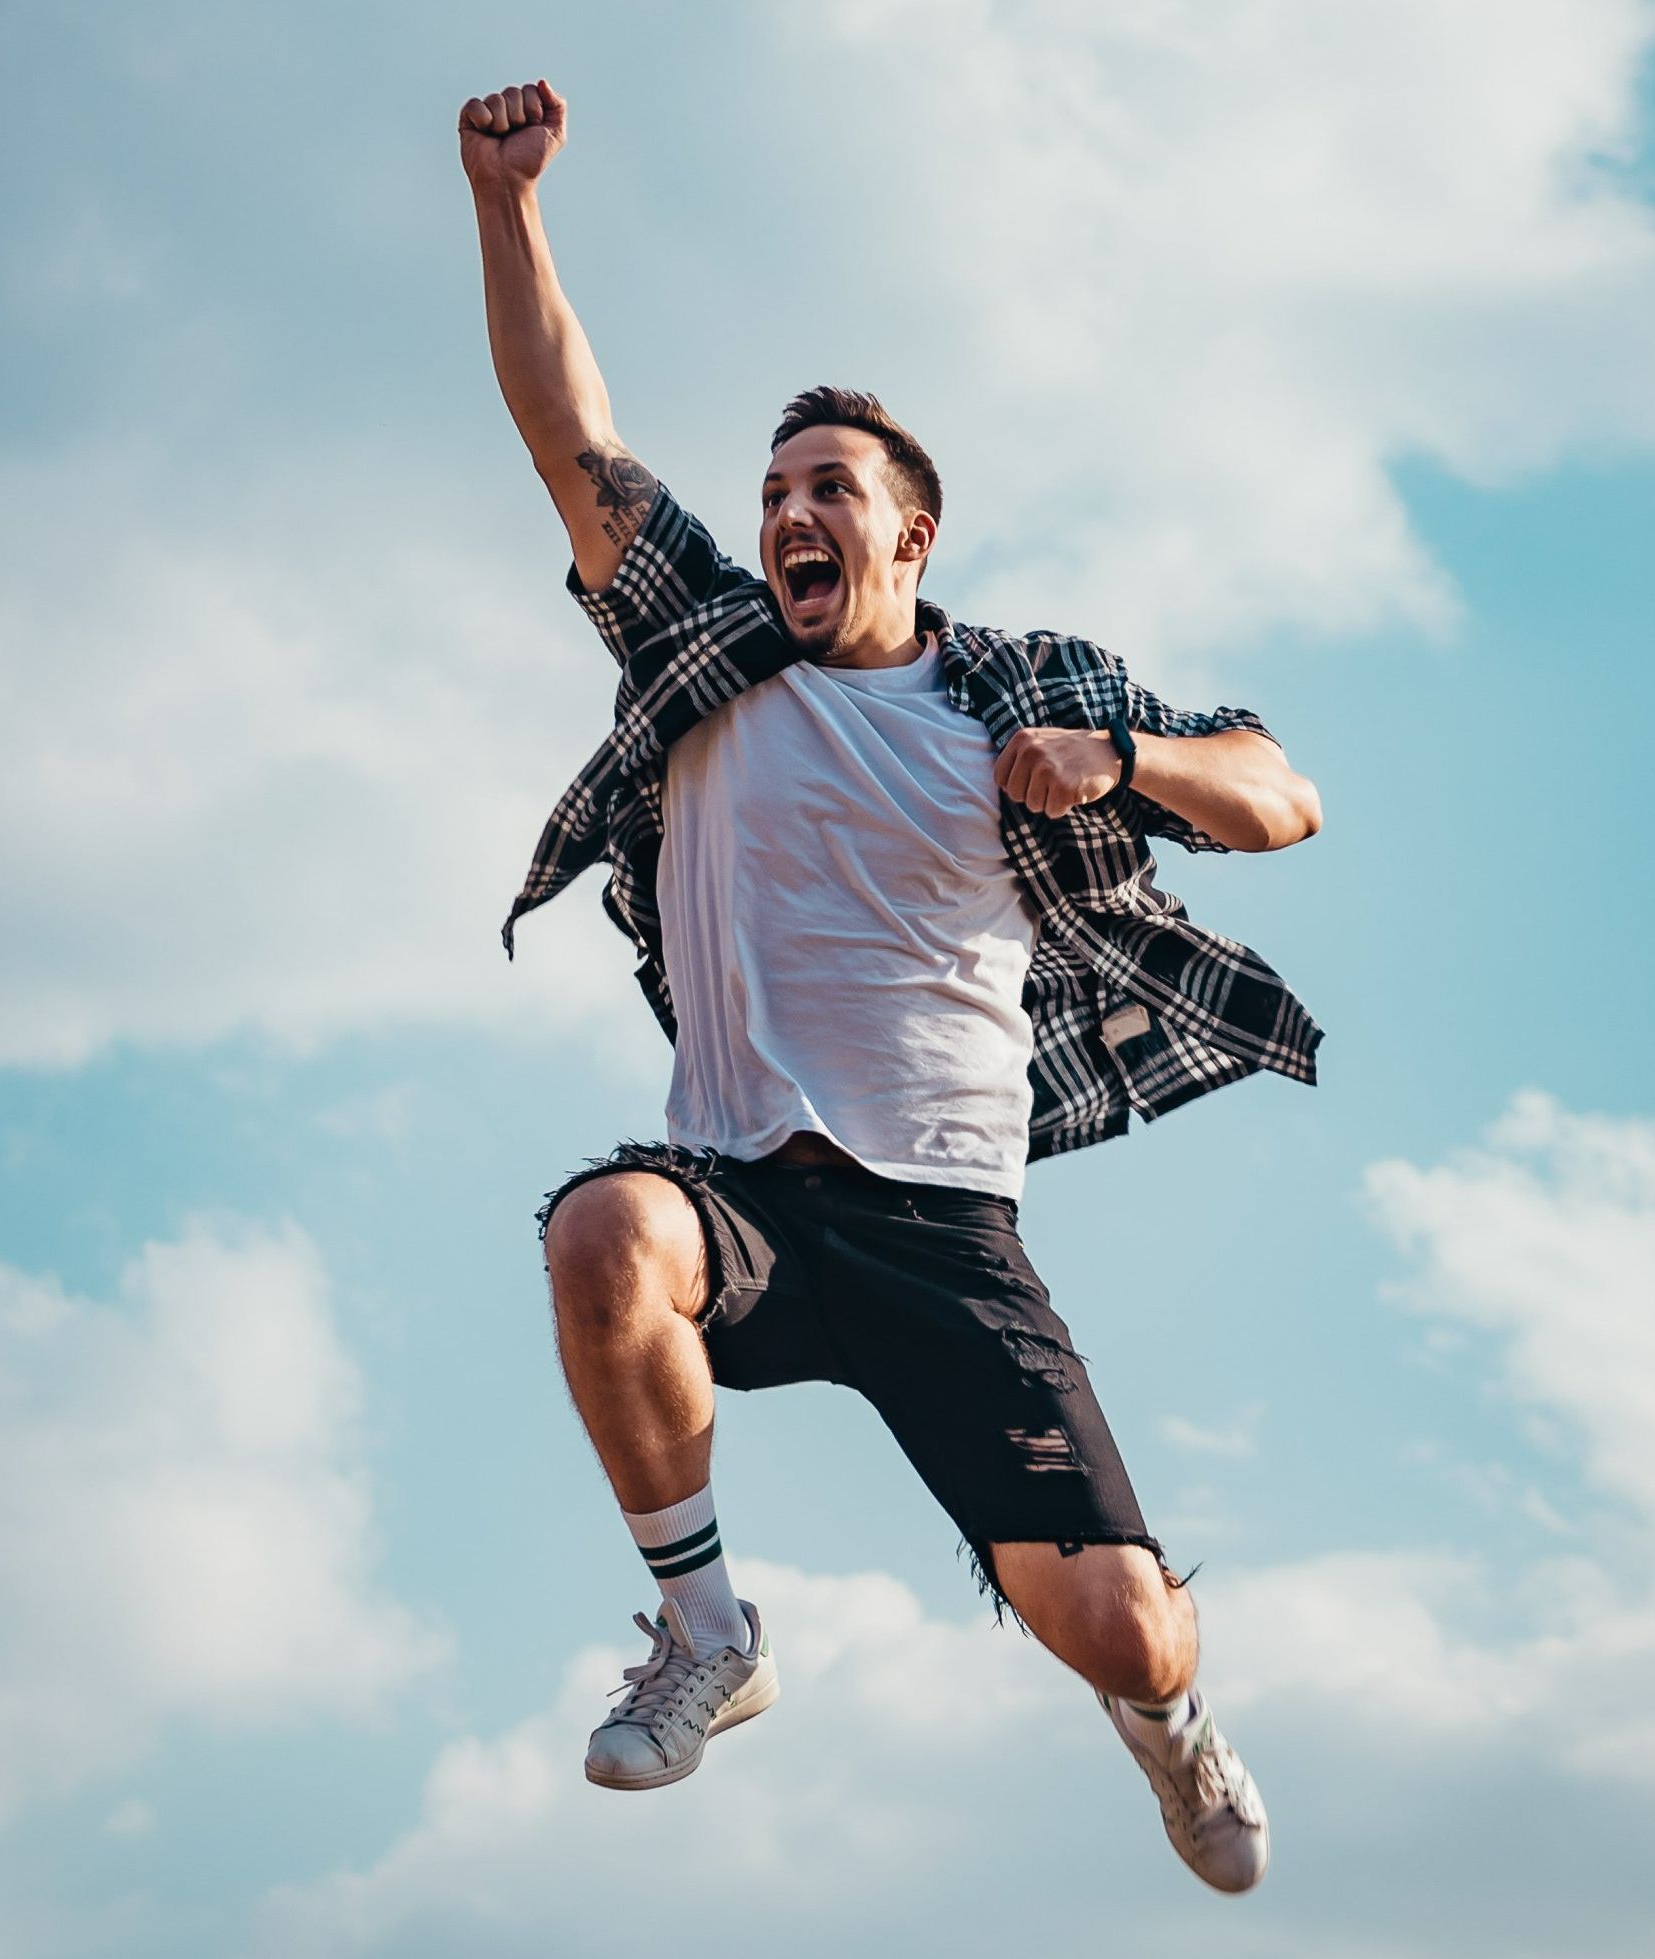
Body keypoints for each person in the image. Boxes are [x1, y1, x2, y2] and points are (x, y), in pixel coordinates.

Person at [461, 78, 1324, 1893]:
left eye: (826, 490)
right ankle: (709, 1635)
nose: (788, 511)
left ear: (909, 536)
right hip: (743, 1192)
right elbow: (568, 435)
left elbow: (1281, 793)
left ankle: (1167, 1725)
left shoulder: (1013, 688)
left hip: (946, 1230)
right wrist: (510, 203)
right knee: (604, 1235)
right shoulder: (705, 642)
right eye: (774, 489)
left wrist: (1123, 758)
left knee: (1129, 1629)